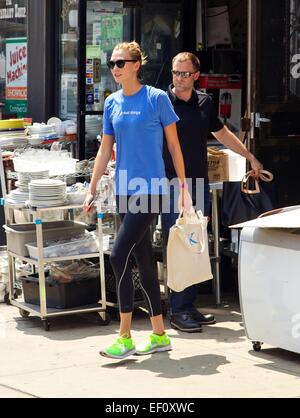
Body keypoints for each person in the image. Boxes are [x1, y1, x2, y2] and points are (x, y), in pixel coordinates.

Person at [83, 42, 192, 359]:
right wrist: (92, 188)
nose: (114, 68)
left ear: (135, 65)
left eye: (119, 63)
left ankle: (125, 337)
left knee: (118, 255)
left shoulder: (157, 99)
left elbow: (174, 147)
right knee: (143, 260)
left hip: (152, 189)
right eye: (110, 63)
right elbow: (105, 149)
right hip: (124, 189)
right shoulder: (111, 103)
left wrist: (183, 187)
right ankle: (159, 334)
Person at [162, 52, 263, 333]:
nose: (178, 78)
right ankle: (178, 310)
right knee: (181, 245)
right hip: (172, 184)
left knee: (196, 245)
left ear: (196, 76)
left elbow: (222, 134)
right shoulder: (160, 101)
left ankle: (188, 305)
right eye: (175, 72)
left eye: (184, 73)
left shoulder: (205, 102)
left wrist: (249, 157)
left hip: (199, 184)